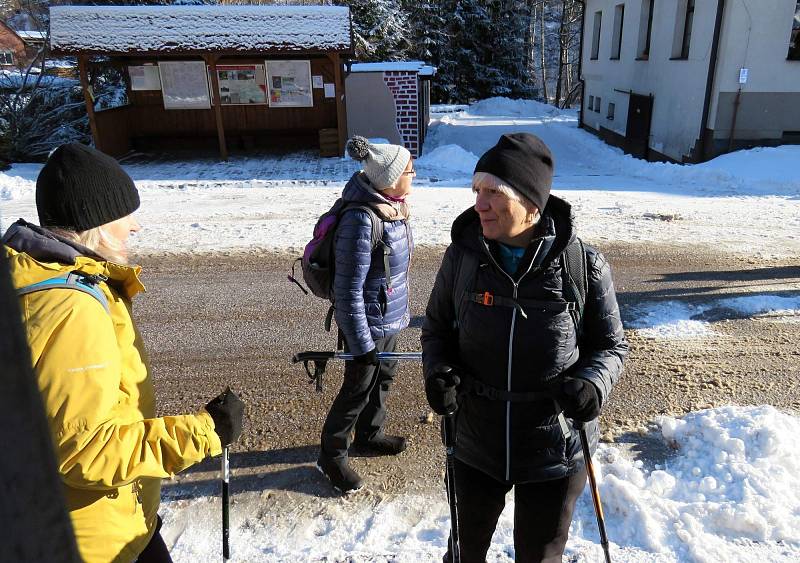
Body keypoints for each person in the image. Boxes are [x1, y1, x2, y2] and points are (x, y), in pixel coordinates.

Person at [2, 142, 245, 563]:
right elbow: (84, 450)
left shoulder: (40, 276)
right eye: (124, 214)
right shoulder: (69, 307)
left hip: (105, 522)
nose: (134, 227)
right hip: (96, 542)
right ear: (94, 221)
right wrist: (205, 432)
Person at [421, 133, 627, 562]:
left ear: (532, 202)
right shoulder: (461, 258)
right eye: (476, 191)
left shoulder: (583, 266)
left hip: (554, 448)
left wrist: (592, 384)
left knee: (539, 557)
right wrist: (437, 371)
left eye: (493, 192)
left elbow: (610, 347)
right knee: (463, 553)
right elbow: (437, 329)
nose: (480, 204)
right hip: (475, 442)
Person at [317, 136, 415, 494]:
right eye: (409, 170)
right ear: (389, 178)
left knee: (384, 377)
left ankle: (369, 434)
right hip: (365, 323)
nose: (414, 175)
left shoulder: (393, 208)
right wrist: (360, 343)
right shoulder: (362, 219)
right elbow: (347, 291)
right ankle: (331, 454)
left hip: (387, 317)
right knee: (358, 386)